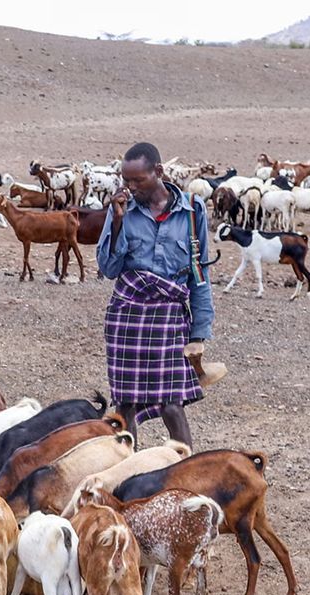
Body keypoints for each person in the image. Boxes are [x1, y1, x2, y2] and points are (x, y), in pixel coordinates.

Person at [96, 141, 227, 446]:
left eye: (137, 180)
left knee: (173, 403)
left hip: (169, 318)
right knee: (125, 404)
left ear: (158, 171)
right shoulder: (122, 211)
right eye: (125, 180)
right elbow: (109, 268)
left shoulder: (192, 212)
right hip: (128, 316)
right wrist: (116, 221)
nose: (130, 187)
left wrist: (199, 333)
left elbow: (199, 275)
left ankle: (185, 477)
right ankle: (125, 474)